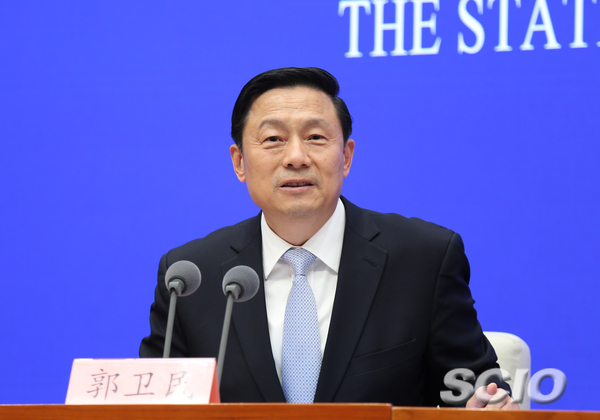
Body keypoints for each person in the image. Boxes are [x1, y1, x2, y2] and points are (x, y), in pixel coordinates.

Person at [140, 67, 518, 409]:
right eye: (273, 139)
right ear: (239, 162)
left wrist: (487, 406)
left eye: (315, 137)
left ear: (346, 157)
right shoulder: (191, 277)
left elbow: (473, 389)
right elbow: (149, 405)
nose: (296, 157)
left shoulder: (423, 259)